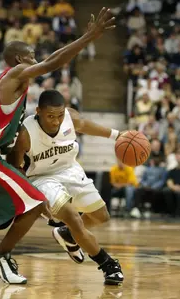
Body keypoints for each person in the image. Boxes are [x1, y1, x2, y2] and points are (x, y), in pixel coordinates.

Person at [0, 8, 116, 284]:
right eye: (32, 55)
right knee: (34, 201)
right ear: (21, 59)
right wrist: (88, 37)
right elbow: (51, 64)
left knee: (13, 198)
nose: (36, 58)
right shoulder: (18, 72)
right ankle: (0, 256)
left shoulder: (3, 84)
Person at [7, 90, 124, 285]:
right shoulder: (26, 133)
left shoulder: (69, 117)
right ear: (38, 111)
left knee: (101, 216)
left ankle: (67, 234)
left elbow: (85, 125)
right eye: (50, 116)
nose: (56, 121)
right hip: (42, 178)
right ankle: (107, 264)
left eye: (60, 115)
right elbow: (15, 167)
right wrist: (34, 195)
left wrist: (117, 135)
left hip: (70, 170)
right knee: (74, 218)